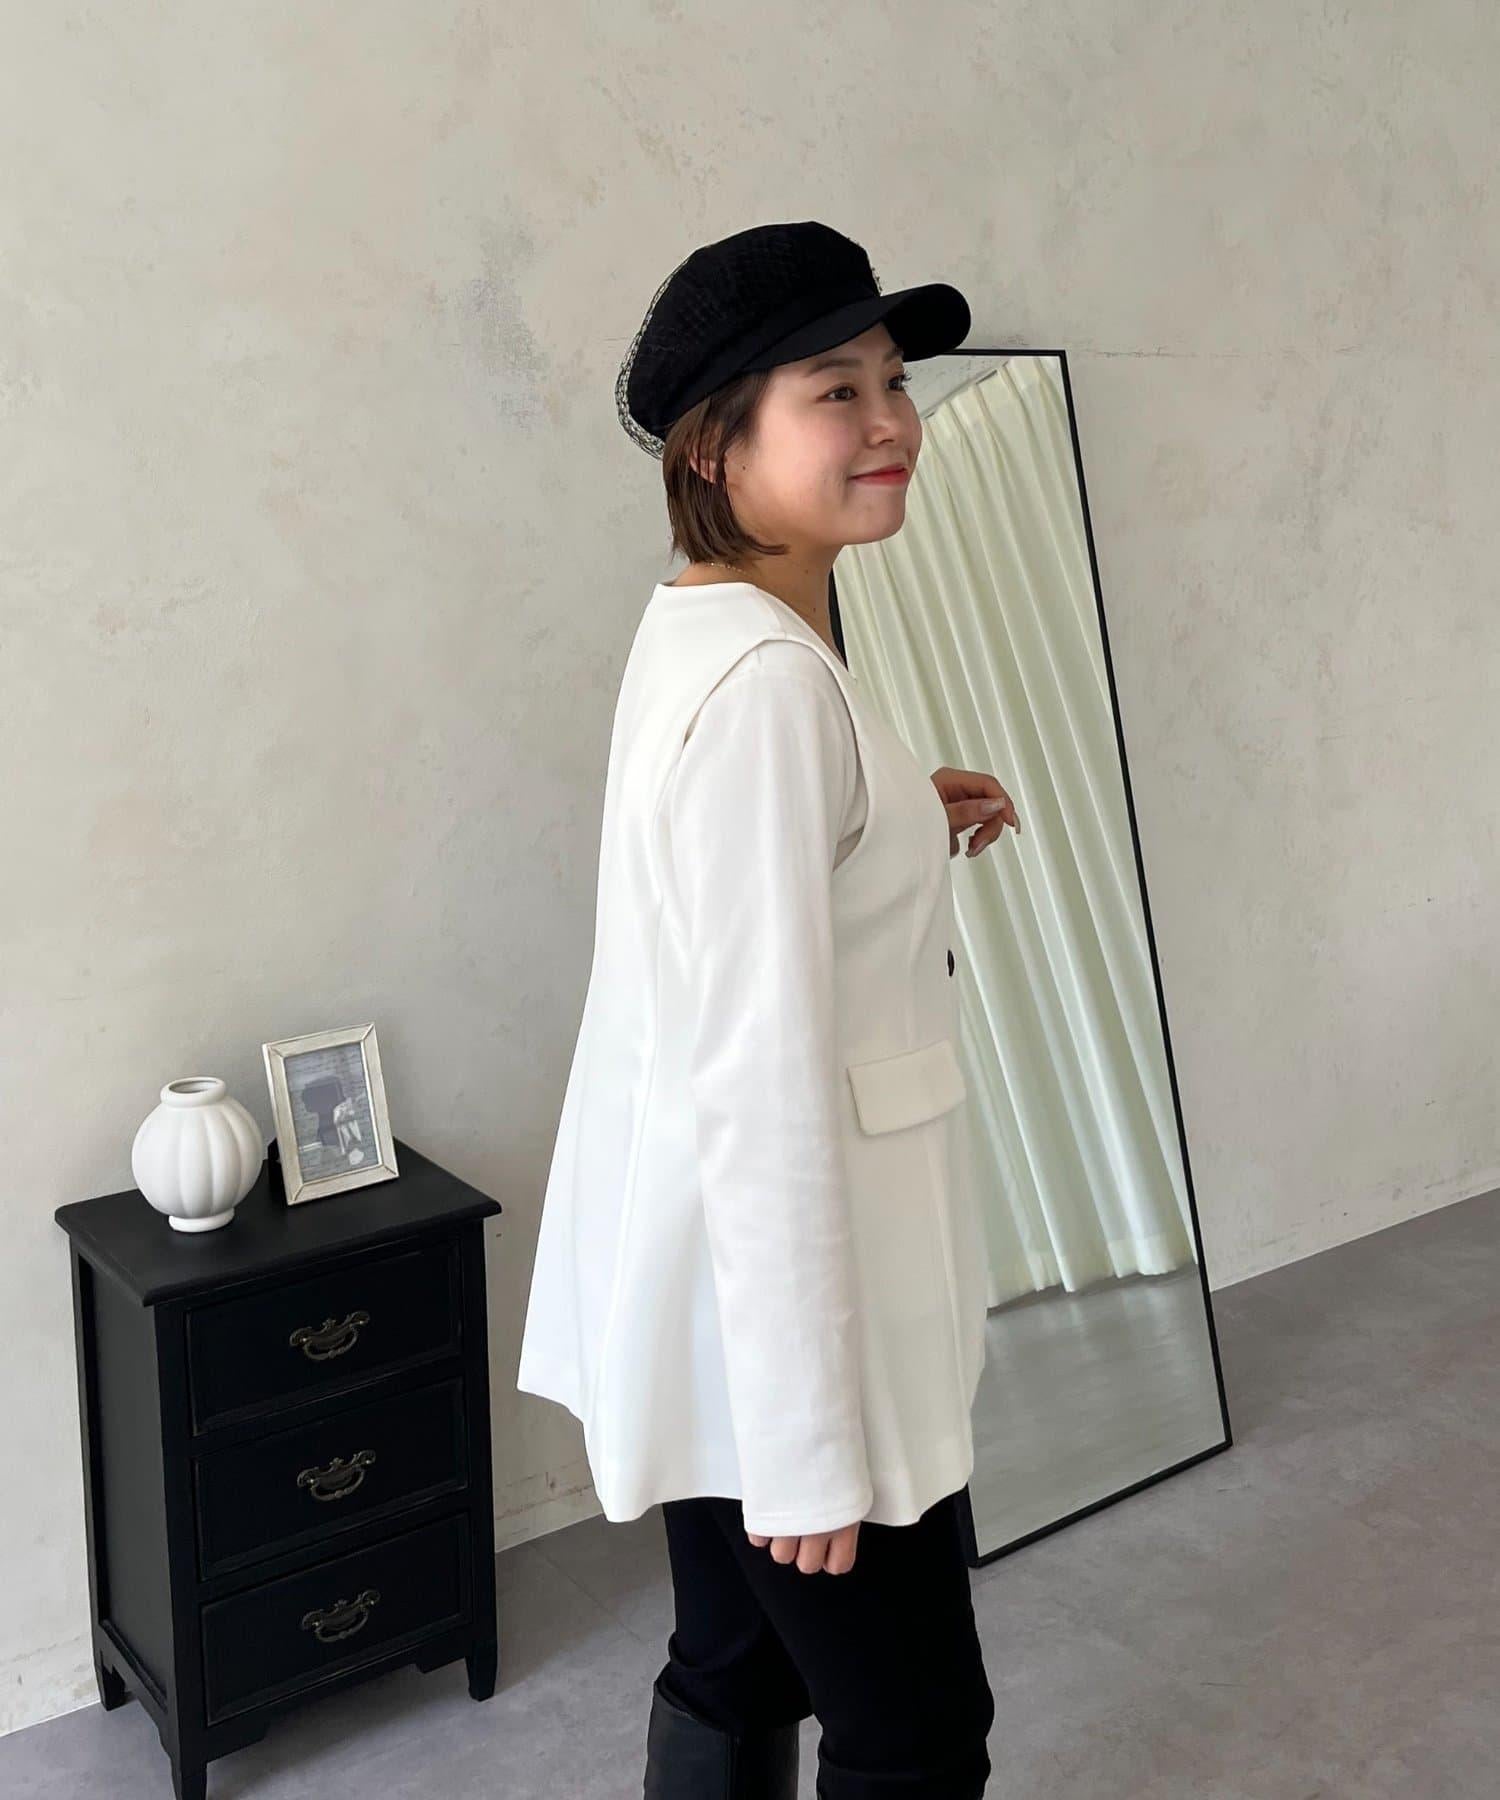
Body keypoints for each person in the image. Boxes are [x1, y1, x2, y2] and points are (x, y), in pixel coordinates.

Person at [516, 220, 1020, 1799]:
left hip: (709, 1293)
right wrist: (804, 1442)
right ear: (712, 447)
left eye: (893, 380)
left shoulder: (708, 627)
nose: (890, 421)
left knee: (735, 1667)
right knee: (915, 1733)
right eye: (834, 391)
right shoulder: (770, 691)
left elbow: (723, 931)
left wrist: (893, 819)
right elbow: (761, 1081)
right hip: (797, 1334)